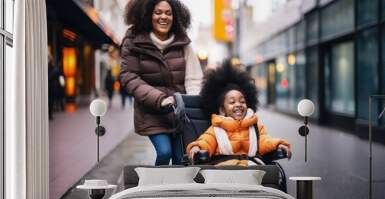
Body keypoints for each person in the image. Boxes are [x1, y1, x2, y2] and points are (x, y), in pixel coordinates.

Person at [120, 0, 203, 166]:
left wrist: (191, 103)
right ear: (148, 14)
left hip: (180, 113)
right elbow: (129, 76)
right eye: (158, 12)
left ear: (176, 16)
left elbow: (194, 78)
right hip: (151, 111)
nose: (163, 17)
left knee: (181, 159)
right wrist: (160, 99)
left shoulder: (183, 43)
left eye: (168, 13)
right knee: (164, 153)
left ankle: (178, 191)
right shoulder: (133, 40)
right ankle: (157, 188)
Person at [187, 61, 292, 166]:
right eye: (232, 102)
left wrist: (278, 145)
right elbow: (206, 141)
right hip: (225, 170)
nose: (238, 104)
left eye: (242, 101)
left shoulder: (255, 127)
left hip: (251, 167)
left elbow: (266, 141)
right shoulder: (216, 129)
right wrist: (197, 147)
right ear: (222, 110)